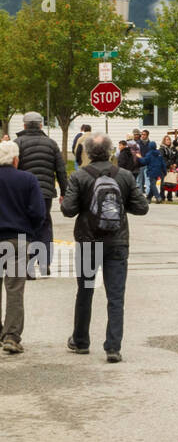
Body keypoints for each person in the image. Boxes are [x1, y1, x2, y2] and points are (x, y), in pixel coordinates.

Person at [61, 133, 149, 363]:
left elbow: (68, 210)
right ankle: (113, 347)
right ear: (111, 152)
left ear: (88, 153)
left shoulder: (79, 176)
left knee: (85, 291)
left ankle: (80, 341)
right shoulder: (125, 176)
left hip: (88, 242)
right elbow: (142, 208)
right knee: (116, 295)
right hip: (117, 242)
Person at [0, 139, 47, 355]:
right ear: (16, 160)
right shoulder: (27, 179)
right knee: (15, 289)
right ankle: (11, 335)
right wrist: (32, 232)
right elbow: (38, 212)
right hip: (18, 240)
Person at [15, 112, 67, 277]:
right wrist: (64, 192)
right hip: (44, 193)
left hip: (23, 193)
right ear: (40, 125)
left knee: (25, 226)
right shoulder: (51, 144)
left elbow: (13, 168)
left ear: (24, 126)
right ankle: (44, 264)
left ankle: (28, 266)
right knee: (44, 225)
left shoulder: (18, 143)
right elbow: (60, 170)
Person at [143, 138, 166, 204]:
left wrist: (139, 158)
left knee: (152, 185)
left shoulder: (149, 154)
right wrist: (164, 171)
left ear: (149, 147)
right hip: (158, 172)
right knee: (152, 185)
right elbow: (163, 163)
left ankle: (158, 197)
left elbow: (145, 161)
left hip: (151, 171)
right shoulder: (159, 154)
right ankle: (148, 198)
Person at [135, 129, 156, 196]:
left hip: (147, 164)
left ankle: (148, 194)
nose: (142, 136)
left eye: (144, 134)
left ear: (147, 135)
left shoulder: (150, 144)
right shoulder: (138, 143)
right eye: (142, 134)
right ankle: (139, 194)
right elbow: (136, 152)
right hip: (140, 164)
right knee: (139, 180)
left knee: (147, 180)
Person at [159, 134, 178, 202]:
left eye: (169, 139)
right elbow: (162, 158)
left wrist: (175, 163)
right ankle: (162, 196)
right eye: (166, 140)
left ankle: (169, 196)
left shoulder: (173, 149)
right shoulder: (162, 149)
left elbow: (177, 157)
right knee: (163, 182)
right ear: (164, 141)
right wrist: (169, 165)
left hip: (171, 168)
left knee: (171, 182)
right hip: (164, 168)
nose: (168, 141)